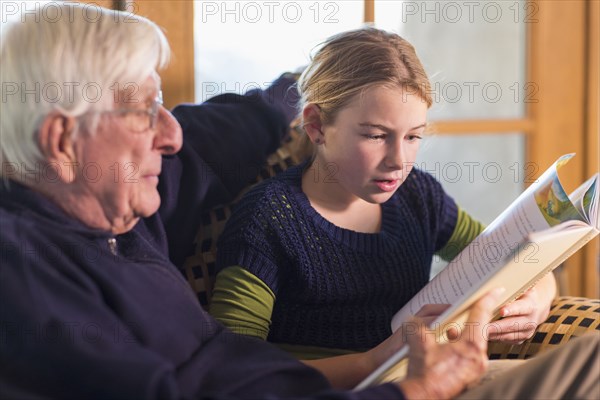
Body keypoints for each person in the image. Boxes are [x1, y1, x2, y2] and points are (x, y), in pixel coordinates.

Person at [1, 5, 598, 400]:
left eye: (412, 135)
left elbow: (239, 120)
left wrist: (324, 80)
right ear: (61, 141)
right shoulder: (29, 281)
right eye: (141, 111)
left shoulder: (125, 199)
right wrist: (397, 387)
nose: (170, 134)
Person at [210, 28, 559, 388]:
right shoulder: (268, 218)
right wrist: (375, 360)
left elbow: (509, 254)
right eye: (376, 135)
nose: (398, 161)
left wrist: (542, 292)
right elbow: (234, 371)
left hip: (430, 383)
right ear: (316, 126)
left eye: (413, 137)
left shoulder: (419, 196)